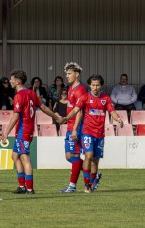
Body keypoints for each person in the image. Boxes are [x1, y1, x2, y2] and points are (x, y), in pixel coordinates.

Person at [4, 70, 61, 194]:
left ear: (18, 81)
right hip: (26, 129)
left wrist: (6, 132)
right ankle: (22, 186)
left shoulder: (19, 96)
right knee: (15, 156)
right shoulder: (31, 93)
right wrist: (56, 117)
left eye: (12, 79)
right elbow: (44, 108)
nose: (10, 81)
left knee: (25, 158)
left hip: (23, 130)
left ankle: (29, 188)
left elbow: (15, 116)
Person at [64, 74, 123, 193]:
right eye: (93, 85)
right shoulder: (85, 97)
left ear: (101, 86)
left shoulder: (106, 98)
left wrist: (118, 119)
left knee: (95, 161)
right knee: (88, 156)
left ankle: (91, 183)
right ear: (89, 85)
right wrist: (66, 118)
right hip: (87, 132)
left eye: (97, 85)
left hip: (100, 134)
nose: (95, 87)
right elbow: (76, 110)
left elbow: (112, 111)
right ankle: (86, 185)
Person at [59, 62, 87, 193]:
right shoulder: (71, 89)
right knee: (68, 156)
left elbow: (80, 111)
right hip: (70, 125)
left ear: (77, 74)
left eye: (69, 73)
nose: (67, 76)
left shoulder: (80, 90)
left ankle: (72, 186)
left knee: (74, 154)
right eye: (66, 74)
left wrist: (75, 129)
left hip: (77, 126)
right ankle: (93, 172)